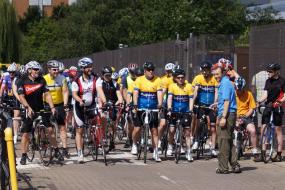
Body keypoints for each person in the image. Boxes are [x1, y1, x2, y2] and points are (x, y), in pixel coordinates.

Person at [17, 61, 60, 165]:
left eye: (38, 69)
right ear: (29, 70)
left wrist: (52, 107)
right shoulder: (22, 81)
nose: (37, 71)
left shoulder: (41, 80)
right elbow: (21, 97)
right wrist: (28, 107)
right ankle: (23, 155)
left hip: (40, 108)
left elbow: (47, 94)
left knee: (50, 129)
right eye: (35, 69)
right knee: (26, 134)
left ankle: (56, 150)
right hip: (29, 109)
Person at [72, 57, 103, 163]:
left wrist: (105, 101)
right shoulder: (76, 80)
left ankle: (95, 141)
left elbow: (100, 90)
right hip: (79, 106)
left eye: (91, 66)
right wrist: (80, 100)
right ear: (82, 68)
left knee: (96, 123)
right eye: (88, 67)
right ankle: (80, 153)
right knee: (79, 130)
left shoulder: (96, 78)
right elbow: (74, 94)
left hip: (92, 105)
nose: (90, 68)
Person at [212, 62, 241, 174]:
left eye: (218, 74)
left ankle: (223, 167)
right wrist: (217, 104)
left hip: (227, 115)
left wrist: (223, 117)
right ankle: (235, 165)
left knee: (223, 141)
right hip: (227, 113)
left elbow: (227, 101)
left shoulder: (225, 83)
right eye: (214, 74)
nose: (216, 76)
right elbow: (225, 100)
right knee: (228, 140)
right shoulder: (224, 83)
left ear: (223, 72)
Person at [131, 61, 163, 162]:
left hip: (153, 108)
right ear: (144, 71)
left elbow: (159, 93)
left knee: (154, 131)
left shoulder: (158, 80)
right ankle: (134, 144)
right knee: (137, 129)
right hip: (141, 107)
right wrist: (135, 104)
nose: (151, 72)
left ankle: (155, 152)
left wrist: (160, 104)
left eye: (152, 70)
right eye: (149, 70)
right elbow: (135, 92)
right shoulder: (139, 80)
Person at [256, 63, 285, 162]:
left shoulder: (282, 81)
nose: (268, 73)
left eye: (270, 71)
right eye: (267, 71)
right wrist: (260, 100)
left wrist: (281, 101)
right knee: (263, 127)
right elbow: (266, 94)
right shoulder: (268, 81)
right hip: (268, 105)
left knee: (278, 130)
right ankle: (262, 154)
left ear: (276, 71)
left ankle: (279, 154)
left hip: (278, 106)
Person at [167, 67, 194, 161]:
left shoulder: (189, 86)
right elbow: (169, 98)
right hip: (174, 111)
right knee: (171, 129)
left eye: (182, 77)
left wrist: (190, 110)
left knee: (187, 132)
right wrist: (169, 109)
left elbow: (191, 99)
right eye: (178, 77)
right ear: (175, 78)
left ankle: (189, 152)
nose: (181, 79)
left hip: (185, 111)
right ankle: (170, 146)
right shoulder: (172, 86)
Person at [44, 60, 70, 158]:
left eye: (57, 70)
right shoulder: (44, 78)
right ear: (49, 69)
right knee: (48, 128)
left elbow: (65, 91)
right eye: (54, 70)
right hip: (47, 104)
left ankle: (64, 148)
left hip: (59, 104)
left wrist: (65, 104)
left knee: (62, 127)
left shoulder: (62, 78)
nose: (56, 71)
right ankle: (47, 144)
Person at [192, 61, 218, 156]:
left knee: (213, 127)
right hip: (201, 104)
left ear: (209, 70)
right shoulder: (198, 78)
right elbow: (195, 92)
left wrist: (215, 103)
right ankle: (196, 140)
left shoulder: (214, 78)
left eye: (206, 70)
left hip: (211, 105)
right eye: (203, 70)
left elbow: (216, 91)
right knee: (198, 123)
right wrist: (192, 103)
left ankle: (213, 147)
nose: (204, 72)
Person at [96, 66, 123, 150]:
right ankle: (101, 138)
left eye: (110, 75)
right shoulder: (99, 81)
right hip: (101, 101)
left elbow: (119, 96)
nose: (108, 77)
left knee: (113, 124)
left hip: (112, 103)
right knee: (102, 118)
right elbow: (100, 93)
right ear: (103, 75)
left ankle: (112, 140)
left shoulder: (115, 83)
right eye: (106, 75)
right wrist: (103, 103)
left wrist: (119, 102)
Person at [235, 77, 258, 156]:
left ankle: (254, 149)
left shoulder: (249, 94)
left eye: (240, 89)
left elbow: (252, 108)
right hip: (235, 116)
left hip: (245, 116)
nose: (238, 91)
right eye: (237, 89)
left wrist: (244, 117)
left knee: (253, 130)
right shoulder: (232, 94)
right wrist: (236, 118)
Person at [158, 62, 175, 154]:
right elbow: (163, 92)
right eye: (168, 71)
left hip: (175, 103)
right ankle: (159, 141)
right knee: (163, 124)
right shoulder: (163, 79)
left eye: (171, 71)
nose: (170, 73)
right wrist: (160, 103)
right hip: (165, 102)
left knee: (174, 126)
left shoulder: (177, 78)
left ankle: (171, 144)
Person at [0, 63, 20, 144]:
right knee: (4, 113)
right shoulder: (6, 77)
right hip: (7, 97)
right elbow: (2, 88)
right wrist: (0, 97)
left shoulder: (18, 78)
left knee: (16, 115)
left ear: (15, 72)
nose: (11, 74)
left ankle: (15, 134)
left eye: (13, 72)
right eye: (10, 72)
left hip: (15, 97)